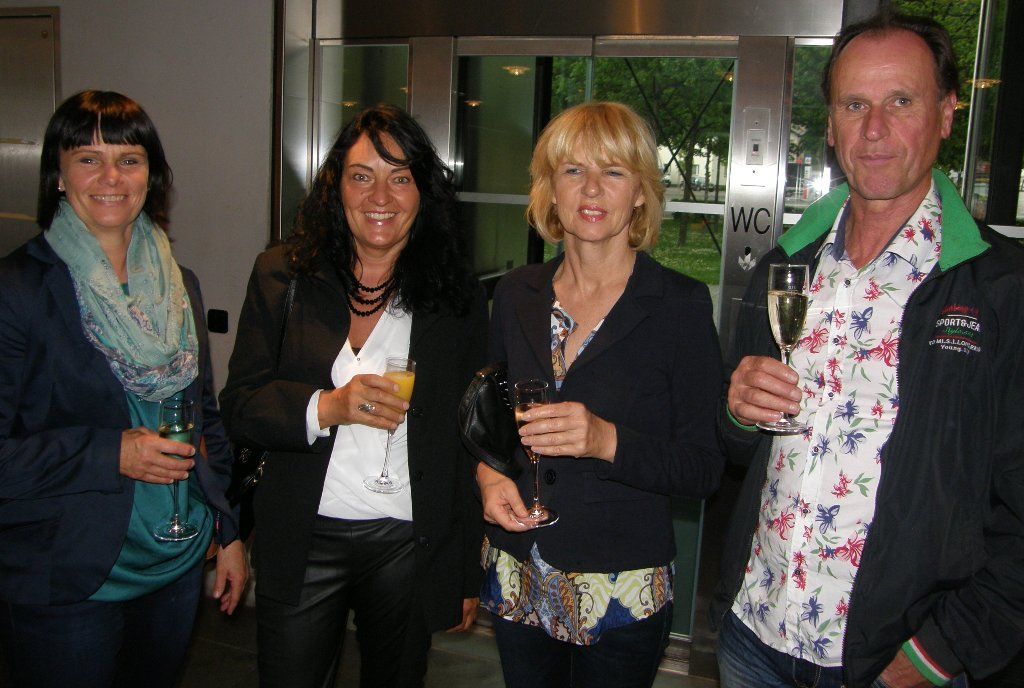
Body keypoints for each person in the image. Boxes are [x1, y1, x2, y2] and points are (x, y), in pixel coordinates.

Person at [713, 9, 1024, 688]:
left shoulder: (1001, 291)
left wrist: (934, 657)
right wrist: (736, 411)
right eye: (855, 105)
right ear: (831, 126)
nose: (875, 128)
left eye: (901, 101)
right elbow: (736, 450)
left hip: (891, 661)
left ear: (946, 114)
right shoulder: (785, 268)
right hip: (753, 639)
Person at [219, 103, 487, 688]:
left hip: (407, 541)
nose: (379, 197)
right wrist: (329, 406)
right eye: (362, 176)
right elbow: (240, 405)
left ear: (423, 192)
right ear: (335, 186)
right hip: (303, 532)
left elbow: (468, 439)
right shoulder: (282, 275)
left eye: (400, 178)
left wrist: (465, 568)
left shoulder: (454, 295)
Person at [0, 90, 247, 688]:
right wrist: (110, 452)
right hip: (72, 577)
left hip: (175, 564)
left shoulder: (179, 284)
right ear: (59, 176)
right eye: (88, 159)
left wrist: (228, 529)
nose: (111, 177)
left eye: (129, 159)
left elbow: (203, 417)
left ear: (150, 175)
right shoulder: (18, 290)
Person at [475, 101, 725, 688]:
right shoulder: (516, 293)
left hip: (621, 585)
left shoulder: (680, 306)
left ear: (639, 192)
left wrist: (605, 440)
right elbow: (490, 417)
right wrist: (488, 476)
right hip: (519, 568)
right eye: (573, 170)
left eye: (613, 171)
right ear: (550, 189)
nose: (591, 189)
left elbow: (705, 468)